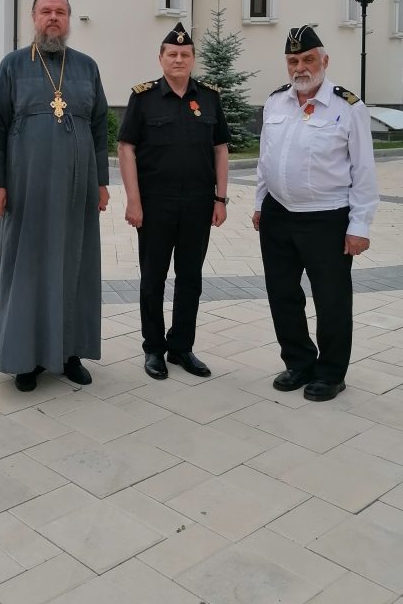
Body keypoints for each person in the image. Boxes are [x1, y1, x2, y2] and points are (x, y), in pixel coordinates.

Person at [0, 0, 109, 392]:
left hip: (77, 191)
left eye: (60, 12)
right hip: (26, 189)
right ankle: (25, 359)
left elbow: (100, 127)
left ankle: (70, 353)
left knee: (75, 264)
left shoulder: (86, 68)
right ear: (33, 18)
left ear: (69, 19)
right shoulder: (13, 66)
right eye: (45, 12)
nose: (52, 18)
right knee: (28, 268)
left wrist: (102, 183)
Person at [253, 25, 379, 401]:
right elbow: (265, 161)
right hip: (278, 215)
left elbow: (364, 172)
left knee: (331, 298)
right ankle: (298, 361)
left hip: (327, 217)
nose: (300, 67)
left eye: (308, 59)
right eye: (293, 61)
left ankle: (330, 372)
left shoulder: (349, 108)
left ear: (324, 60)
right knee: (282, 293)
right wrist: (260, 204)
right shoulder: (276, 102)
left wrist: (359, 226)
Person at [118, 22, 230, 381]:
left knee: (191, 278)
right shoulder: (144, 97)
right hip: (155, 203)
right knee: (153, 277)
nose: (179, 59)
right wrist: (133, 201)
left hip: (198, 202)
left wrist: (221, 198)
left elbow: (221, 149)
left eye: (185, 54)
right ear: (161, 59)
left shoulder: (209, 97)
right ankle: (153, 348)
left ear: (193, 59)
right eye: (172, 54)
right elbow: (126, 148)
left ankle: (182, 346)